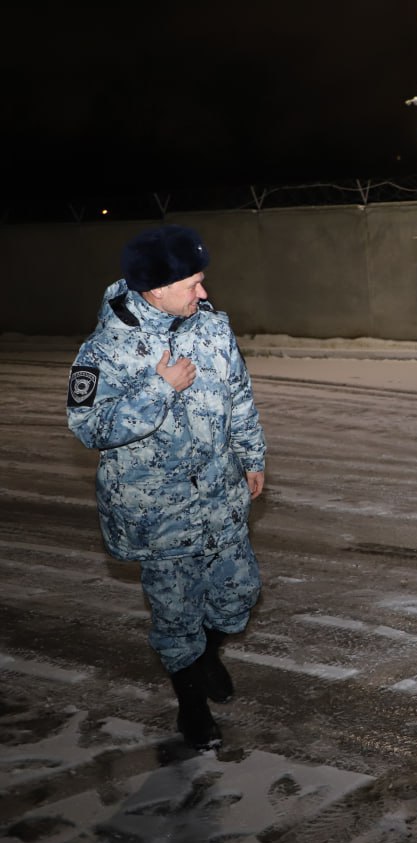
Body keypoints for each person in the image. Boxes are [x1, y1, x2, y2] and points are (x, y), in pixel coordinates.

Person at [66, 224, 266, 751]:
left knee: (239, 595)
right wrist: (159, 388)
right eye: (192, 283)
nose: (203, 291)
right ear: (156, 288)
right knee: (177, 617)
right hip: (157, 510)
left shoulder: (211, 327)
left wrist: (252, 455)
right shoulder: (105, 349)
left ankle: (206, 656)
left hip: (220, 492)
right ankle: (191, 705)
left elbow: (239, 393)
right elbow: (88, 427)